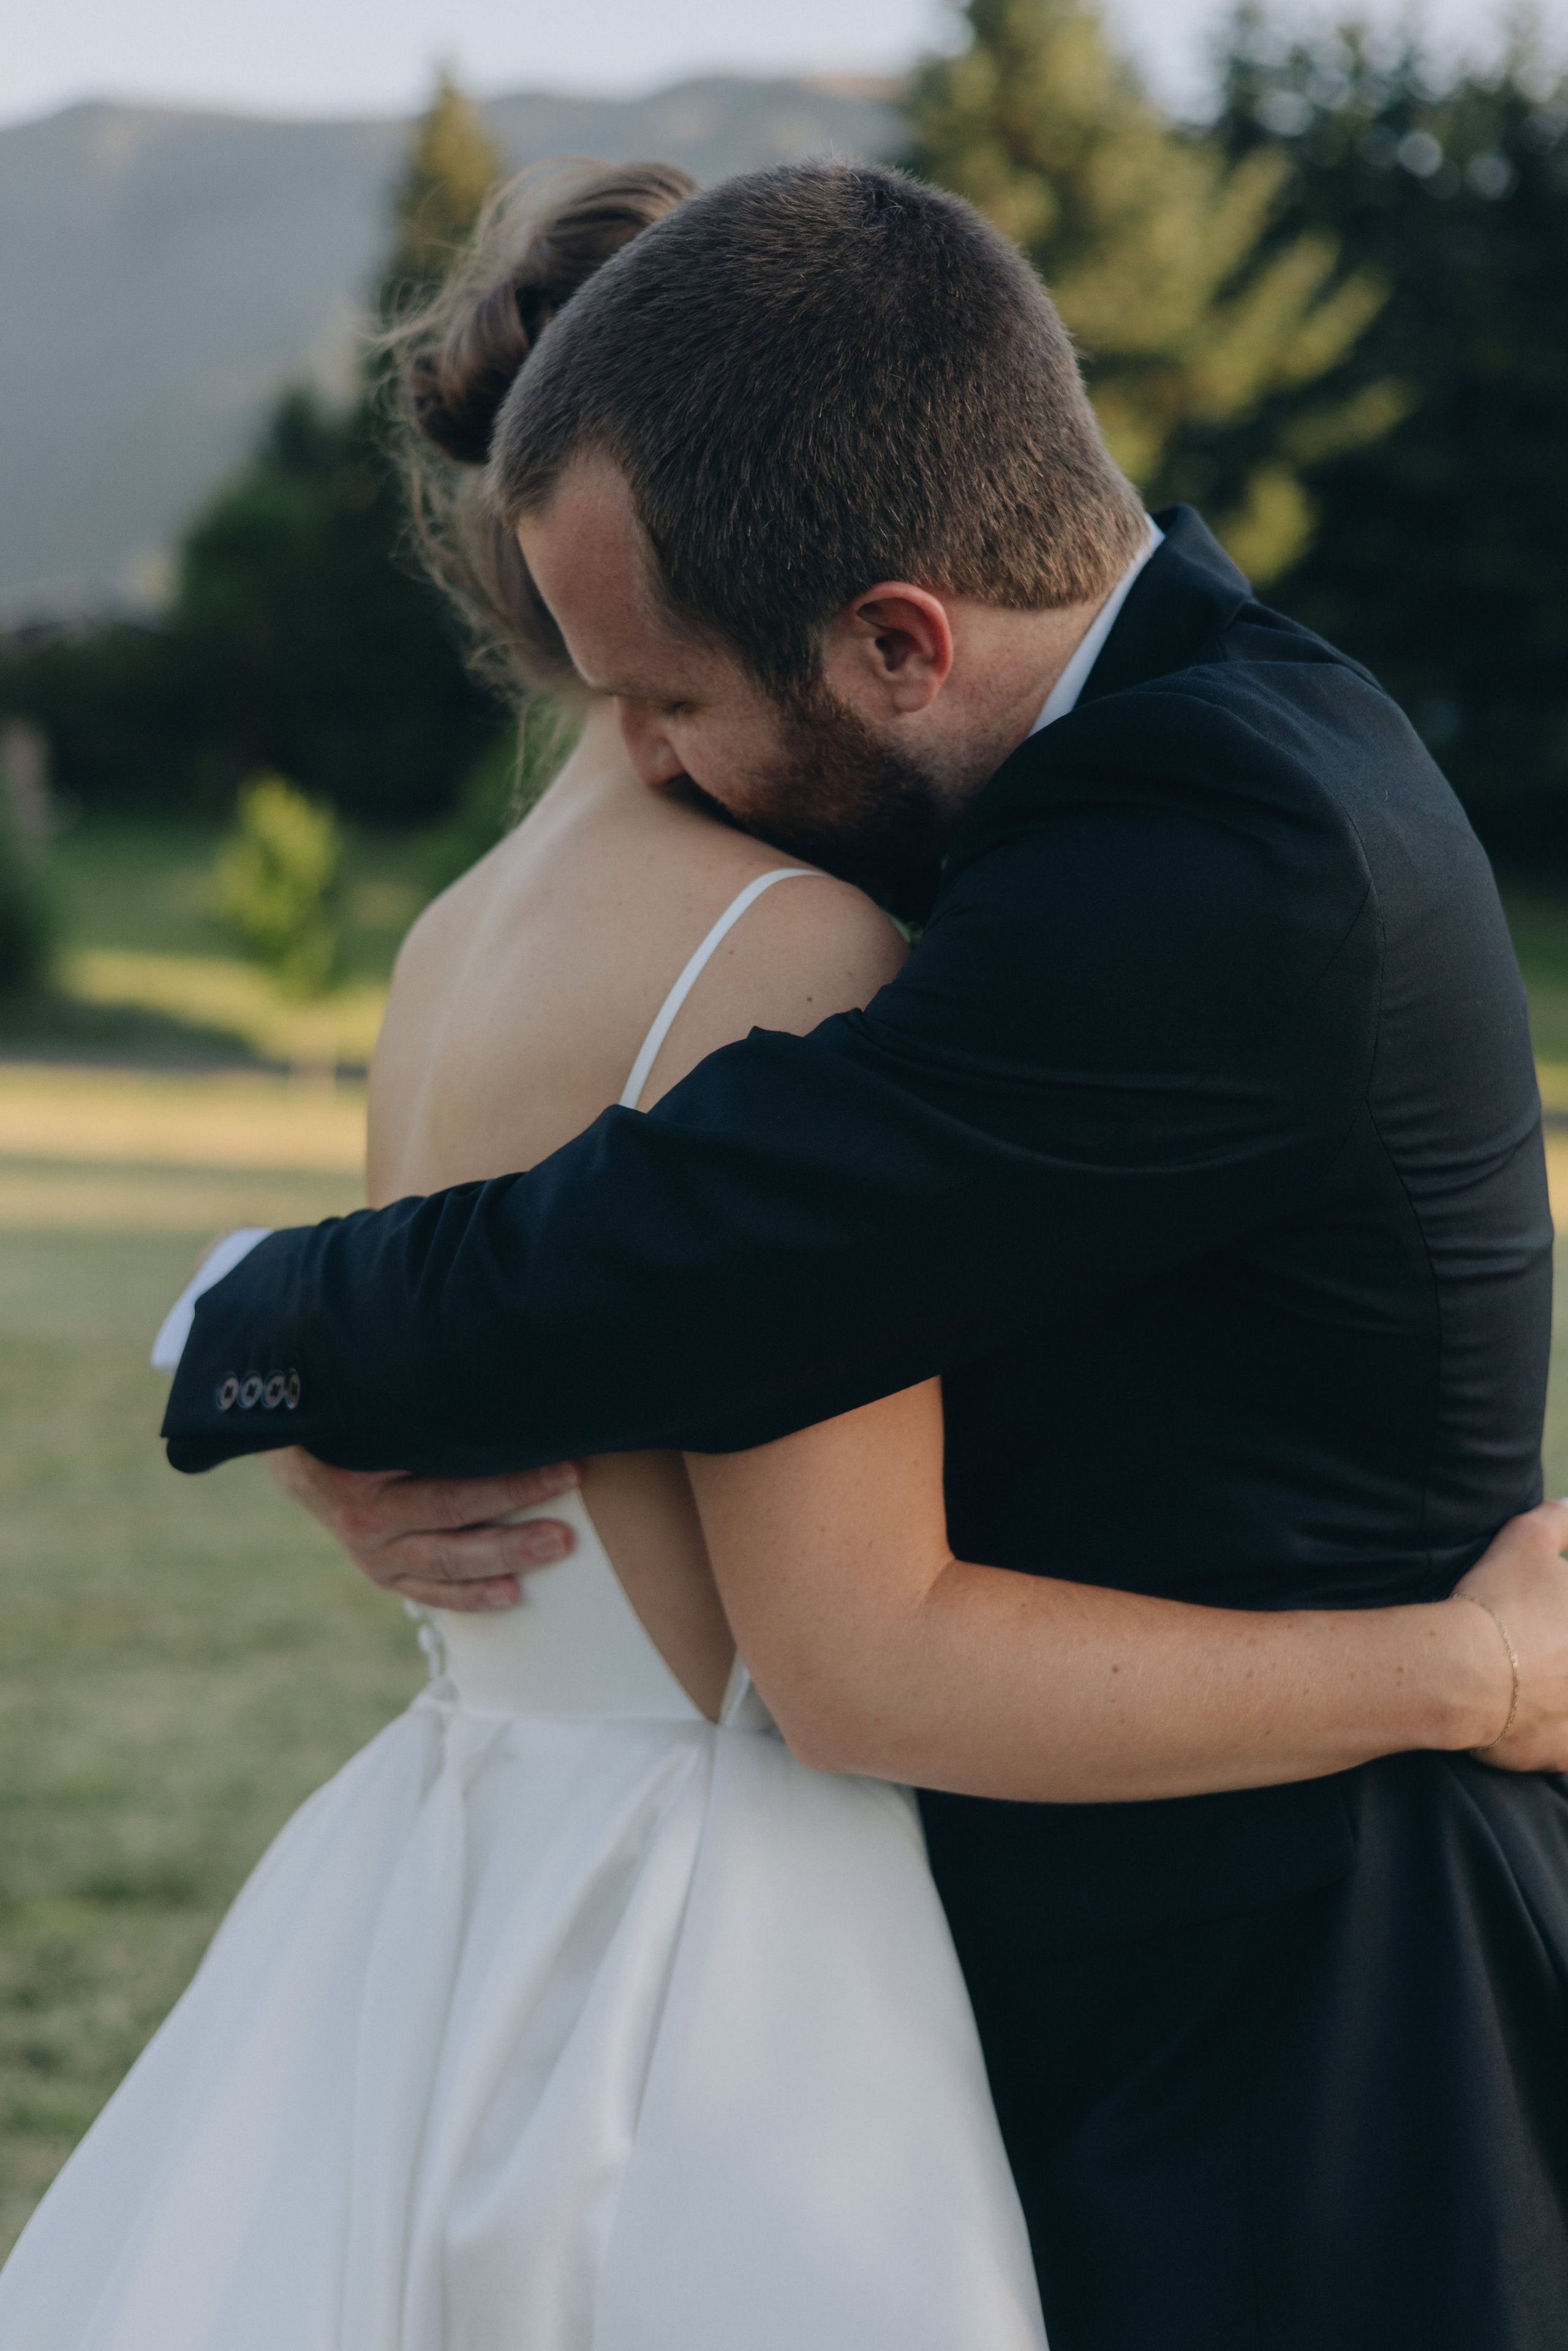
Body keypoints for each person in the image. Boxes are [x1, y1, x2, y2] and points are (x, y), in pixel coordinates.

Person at [135, 159, 1566, 2347]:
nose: (640, 760)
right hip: (1092, 1964)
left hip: (1319, 2021)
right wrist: (310, 1364)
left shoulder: (1223, 859)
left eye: (672, 704)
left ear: (904, 636)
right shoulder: (1129, 757)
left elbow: (676, 1247)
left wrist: (258, 1332)